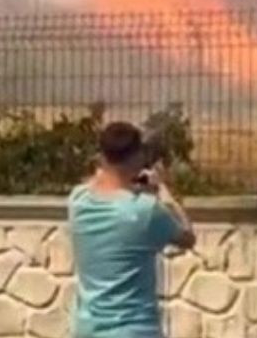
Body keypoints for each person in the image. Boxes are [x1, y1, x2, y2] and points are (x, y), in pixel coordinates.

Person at [68, 121, 196, 338]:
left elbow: (97, 183)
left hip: (86, 329)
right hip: (134, 330)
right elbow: (187, 236)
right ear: (137, 157)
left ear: (102, 156)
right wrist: (162, 191)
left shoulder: (78, 201)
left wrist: (127, 184)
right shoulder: (145, 212)